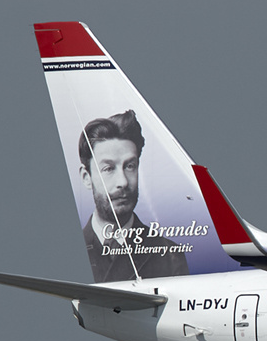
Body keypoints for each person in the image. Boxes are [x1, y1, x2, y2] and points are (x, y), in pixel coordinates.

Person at [78, 110, 190, 281]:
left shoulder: (169, 254)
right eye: (108, 169)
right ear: (87, 178)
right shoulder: (76, 250)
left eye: (130, 166)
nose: (122, 182)